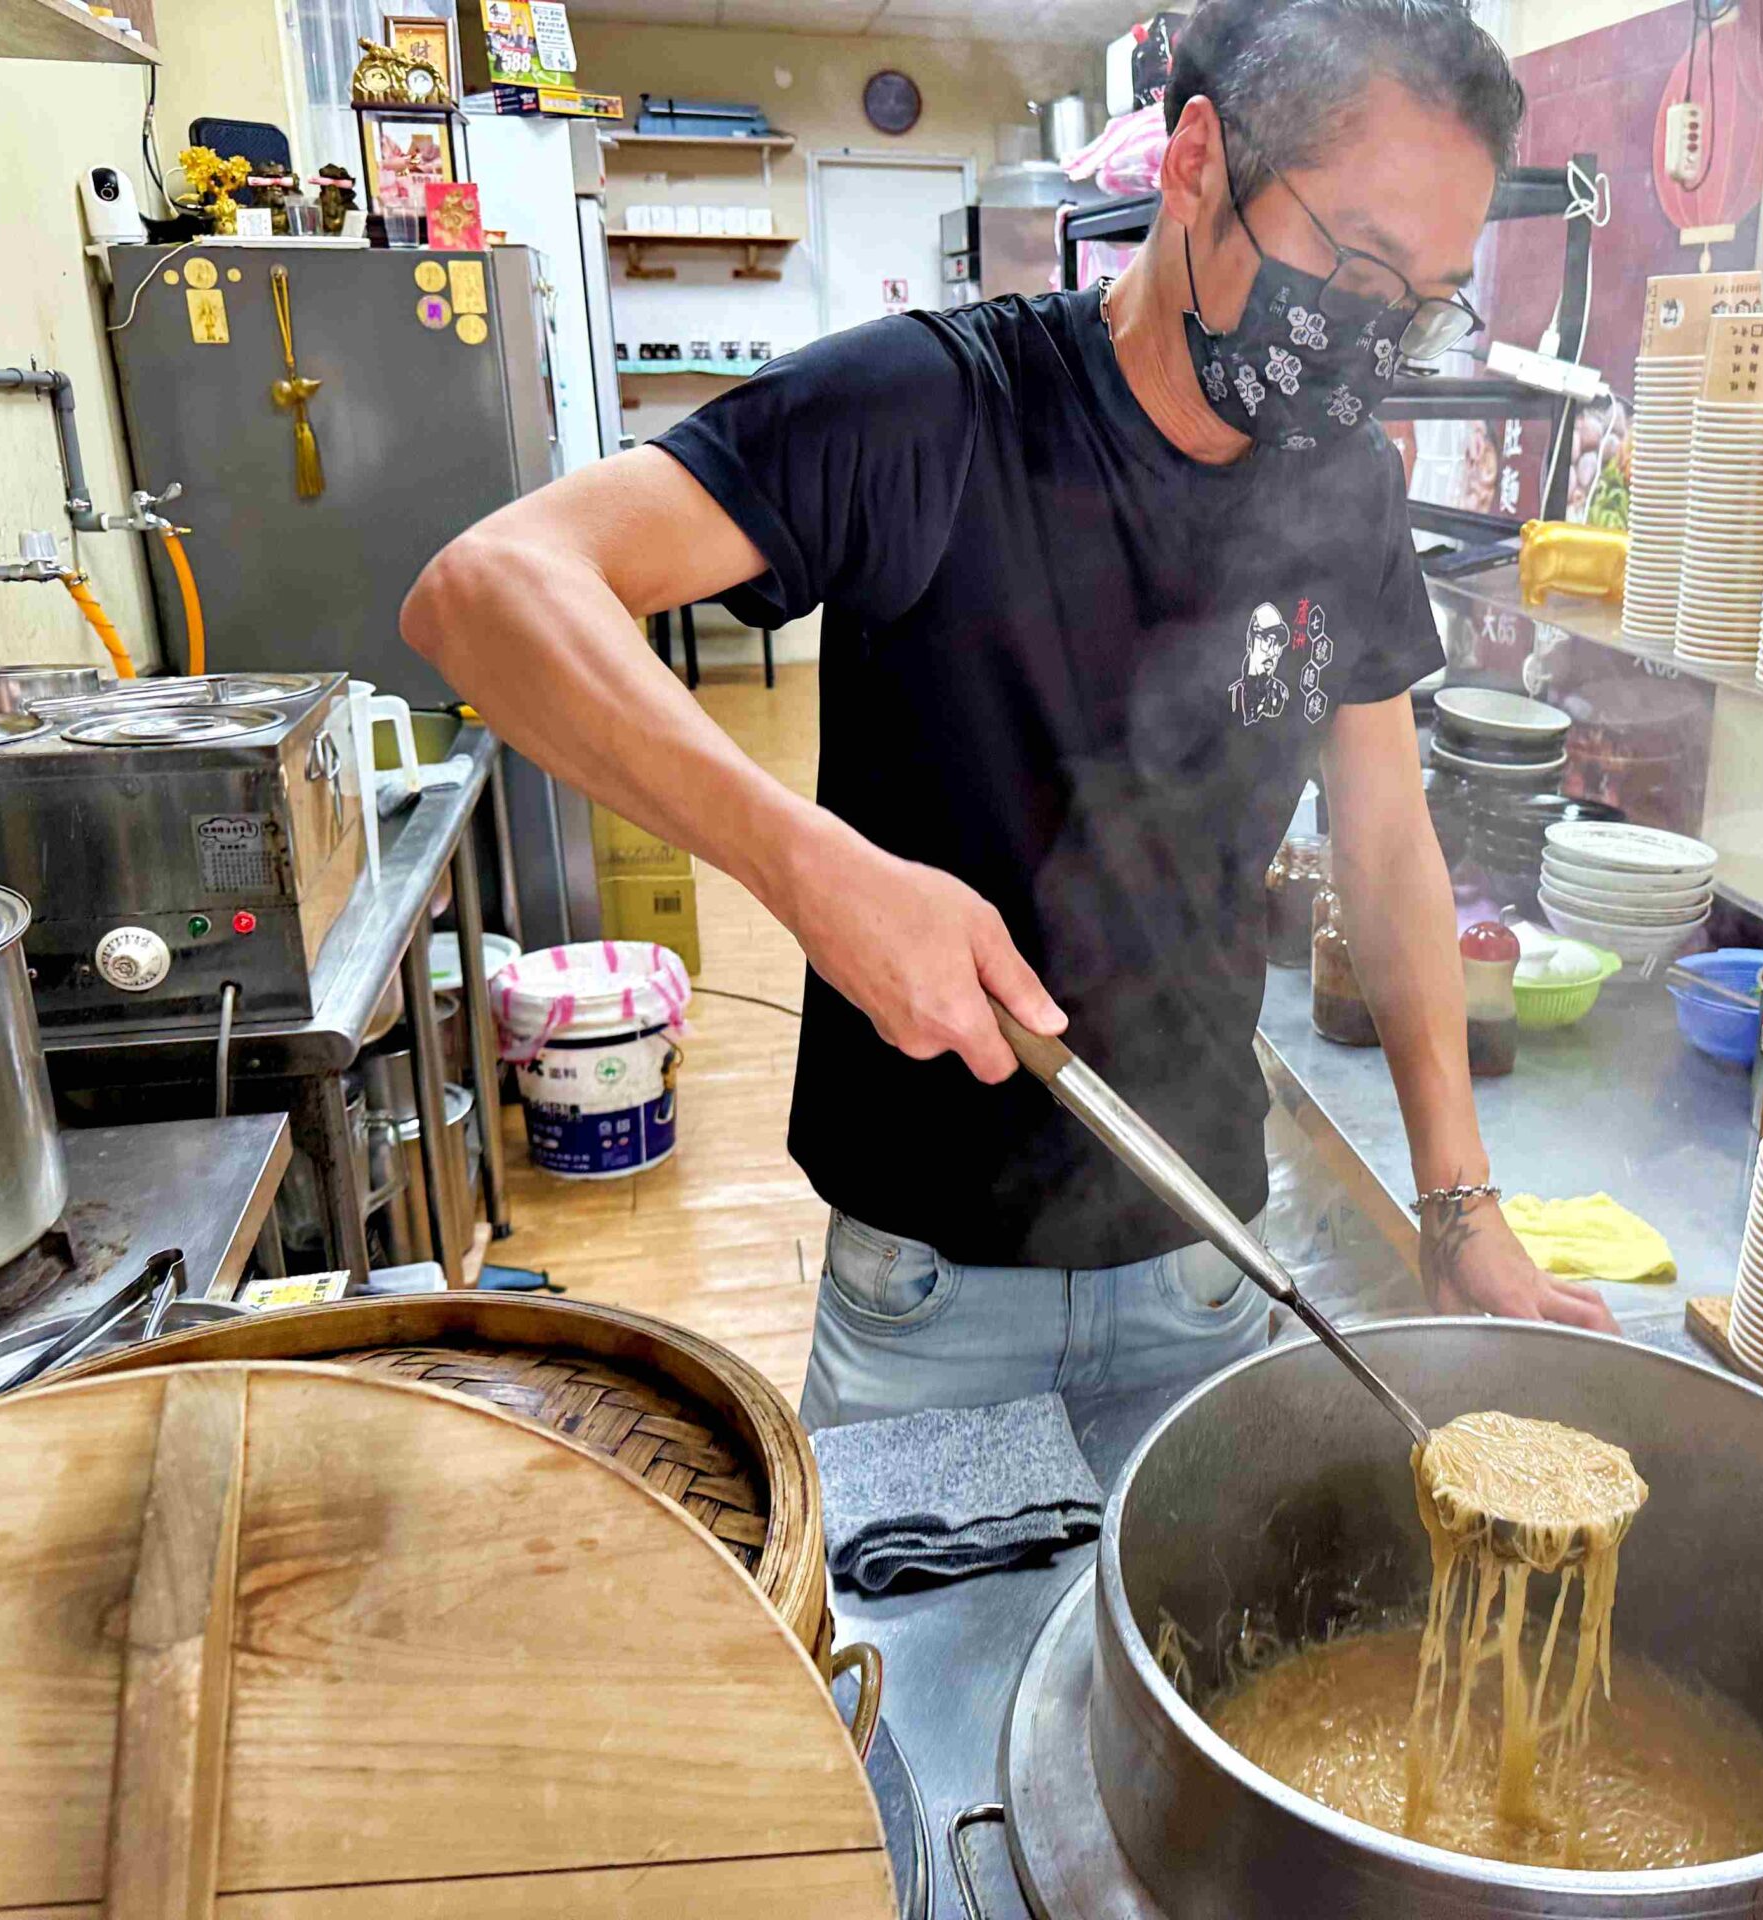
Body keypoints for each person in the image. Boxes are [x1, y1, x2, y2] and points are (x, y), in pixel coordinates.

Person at [401, 0, 1619, 1430]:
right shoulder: (934, 407)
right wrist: (814, 872)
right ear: (1198, 164)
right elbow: (484, 594)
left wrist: (1459, 1200)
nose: (1375, 334)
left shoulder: (1341, 486)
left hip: (1208, 1267)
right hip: (928, 1303)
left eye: (1425, 298)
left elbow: (1389, 840)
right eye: (1354, 262)